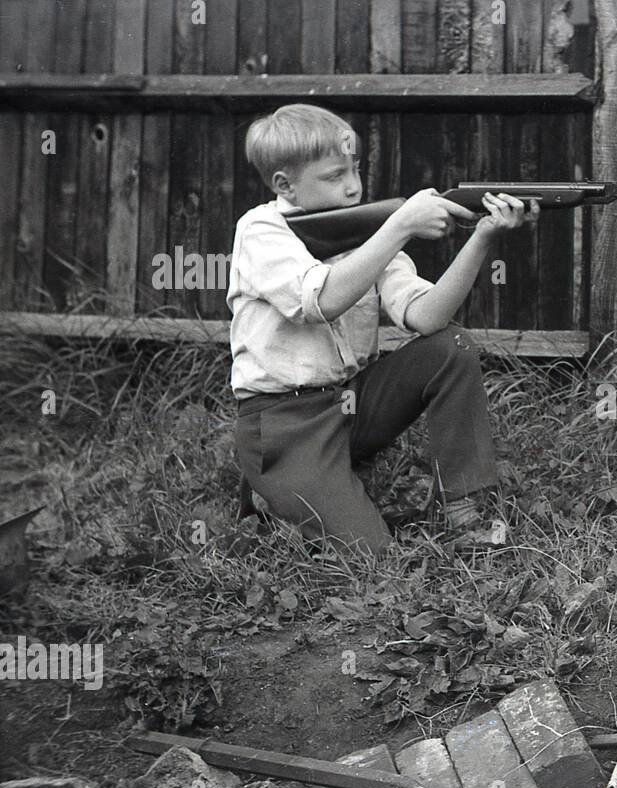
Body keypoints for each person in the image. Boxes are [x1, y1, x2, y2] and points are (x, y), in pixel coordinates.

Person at [227, 103, 537, 554]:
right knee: (375, 558)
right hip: (282, 425)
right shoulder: (259, 231)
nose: (353, 187)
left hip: (351, 405)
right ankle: (268, 494)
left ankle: (464, 510)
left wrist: (483, 236)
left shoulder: (369, 239)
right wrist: (399, 226)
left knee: (449, 347)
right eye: (335, 176)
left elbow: (427, 316)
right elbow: (323, 300)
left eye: (355, 170)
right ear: (283, 184)